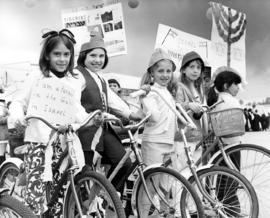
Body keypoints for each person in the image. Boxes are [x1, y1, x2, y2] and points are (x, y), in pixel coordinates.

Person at [8, 29, 90, 217]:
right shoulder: (37, 76)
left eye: (66, 54)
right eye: (57, 54)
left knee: (59, 194)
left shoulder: (73, 81)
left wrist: (92, 118)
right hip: (39, 141)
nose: (62, 59)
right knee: (36, 195)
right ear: (47, 55)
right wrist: (18, 117)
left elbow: (76, 109)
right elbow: (19, 101)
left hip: (62, 144)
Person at [74, 32, 142, 197]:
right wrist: (87, 119)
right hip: (86, 131)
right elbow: (72, 101)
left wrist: (131, 114)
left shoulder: (101, 78)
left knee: (124, 163)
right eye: (93, 55)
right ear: (84, 56)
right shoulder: (77, 75)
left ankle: (106, 197)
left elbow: (113, 100)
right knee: (84, 172)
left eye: (101, 56)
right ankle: (77, 208)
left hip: (104, 129)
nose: (98, 60)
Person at [139, 48, 179, 218]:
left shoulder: (167, 92)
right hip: (154, 142)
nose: (165, 75)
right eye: (160, 71)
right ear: (152, 73)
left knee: (167, 182)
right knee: (151, 183)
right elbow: (154, 117)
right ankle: (141, 213)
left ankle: (164, 213)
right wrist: (145, 97)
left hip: (169, 142)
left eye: (168, 71)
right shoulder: (150, 91)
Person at [207, 66, 243, 216]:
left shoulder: (217, 100)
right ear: (227, 85)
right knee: (231, 181)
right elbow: (242, 121)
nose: (238, 88)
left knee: (224, 179)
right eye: (236, 84)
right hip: (232, 144)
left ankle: (226, 211)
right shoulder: (230, 101)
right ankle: (232, 212)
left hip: (223, 144)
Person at [174, 51, 206, 169]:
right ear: (183, 70)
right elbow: (175, 107)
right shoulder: (179, 87)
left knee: (196, 175)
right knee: (183, 174)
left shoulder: (198, 89)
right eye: (191, 67)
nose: (196, 70)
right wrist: (188, 105)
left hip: (196, 137)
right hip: (183, 139)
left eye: (198, 67)